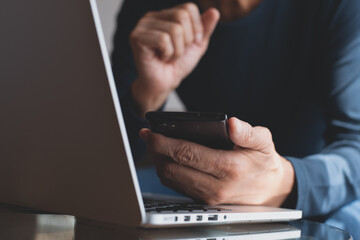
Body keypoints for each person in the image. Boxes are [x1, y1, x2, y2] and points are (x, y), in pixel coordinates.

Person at [111, 0, 360, 238]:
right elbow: (103, 159)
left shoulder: (340, 6)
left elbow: (356, 144)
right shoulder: (147, 9)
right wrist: (147, 92)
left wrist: (284, 182)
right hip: (206, 189)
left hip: (310, 186)